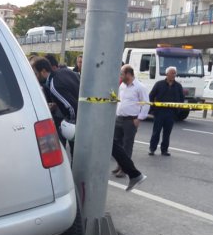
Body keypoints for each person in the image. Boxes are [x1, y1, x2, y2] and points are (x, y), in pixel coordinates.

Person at [31, 57, 146, 192]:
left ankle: (77, 191)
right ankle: (134, 174)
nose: (35, 76)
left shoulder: (53, 85)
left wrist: (71, 122)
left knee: (80, 156)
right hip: (92, 113)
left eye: (35, 73)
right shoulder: (66, 73)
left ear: (44, 71)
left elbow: (71, 107)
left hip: (82, 122)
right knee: (109, 144)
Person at [112, 64, 149, 177]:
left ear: (128, 74)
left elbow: (146, 104)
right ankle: (119, 165)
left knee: (127, 145)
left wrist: (139, 119)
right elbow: (119, 100)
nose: (120, 76)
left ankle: (125, 169)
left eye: (122, 74)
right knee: (117, 144)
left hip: (130, 120)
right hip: (119, 118)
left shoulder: (140, 87)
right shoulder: (122, 86)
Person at [148, 66, 183, 156]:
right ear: (167, 74)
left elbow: (181, 99)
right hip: (159, 112)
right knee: (156, 132)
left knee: (167, 133)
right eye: (172, 73)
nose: (174, 75)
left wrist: (177, 111)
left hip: (171, 113)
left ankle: (164, 150)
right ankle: (152, 149)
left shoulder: (178, 86)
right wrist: (152, 109)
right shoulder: (159, 84)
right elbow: (151, 96)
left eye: (175, 73)